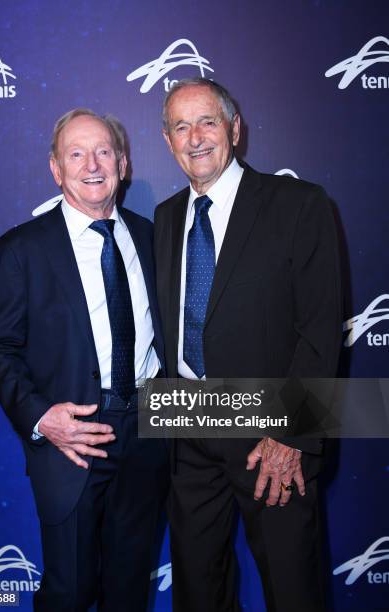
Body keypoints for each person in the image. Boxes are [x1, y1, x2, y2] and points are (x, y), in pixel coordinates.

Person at [154, 78, 342, 612]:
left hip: (271, 437)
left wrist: (294, 433)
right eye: (180, 126)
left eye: (207, 121)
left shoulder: (298, 204)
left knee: (292, 590)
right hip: (188, 427)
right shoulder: (167, 218)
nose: (195, 138)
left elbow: (321, 328)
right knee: (198, 593)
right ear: (167, 140)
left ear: (234, 129)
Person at [0, 109, 169, 612]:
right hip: (73, 439)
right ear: (55, 169)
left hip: (150, 432)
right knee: (70, 592)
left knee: (129, 592)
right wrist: (42, 418)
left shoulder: (152, 238)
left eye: (103, 151)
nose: (92, 165)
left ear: (123, 163)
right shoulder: (23, 248)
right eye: (76, 154)